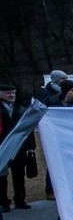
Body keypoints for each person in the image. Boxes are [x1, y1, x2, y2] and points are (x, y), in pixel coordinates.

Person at [0, 83, 36, 211]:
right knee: (2, 177)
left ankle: (20, 200)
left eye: (13, 93)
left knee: (19, 175)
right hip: (3, 147)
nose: (11, 95)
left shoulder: (21, 108)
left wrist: (31, 146)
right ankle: (4, 202)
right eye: (8, 93)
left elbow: (28, 129)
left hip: (19, 147)